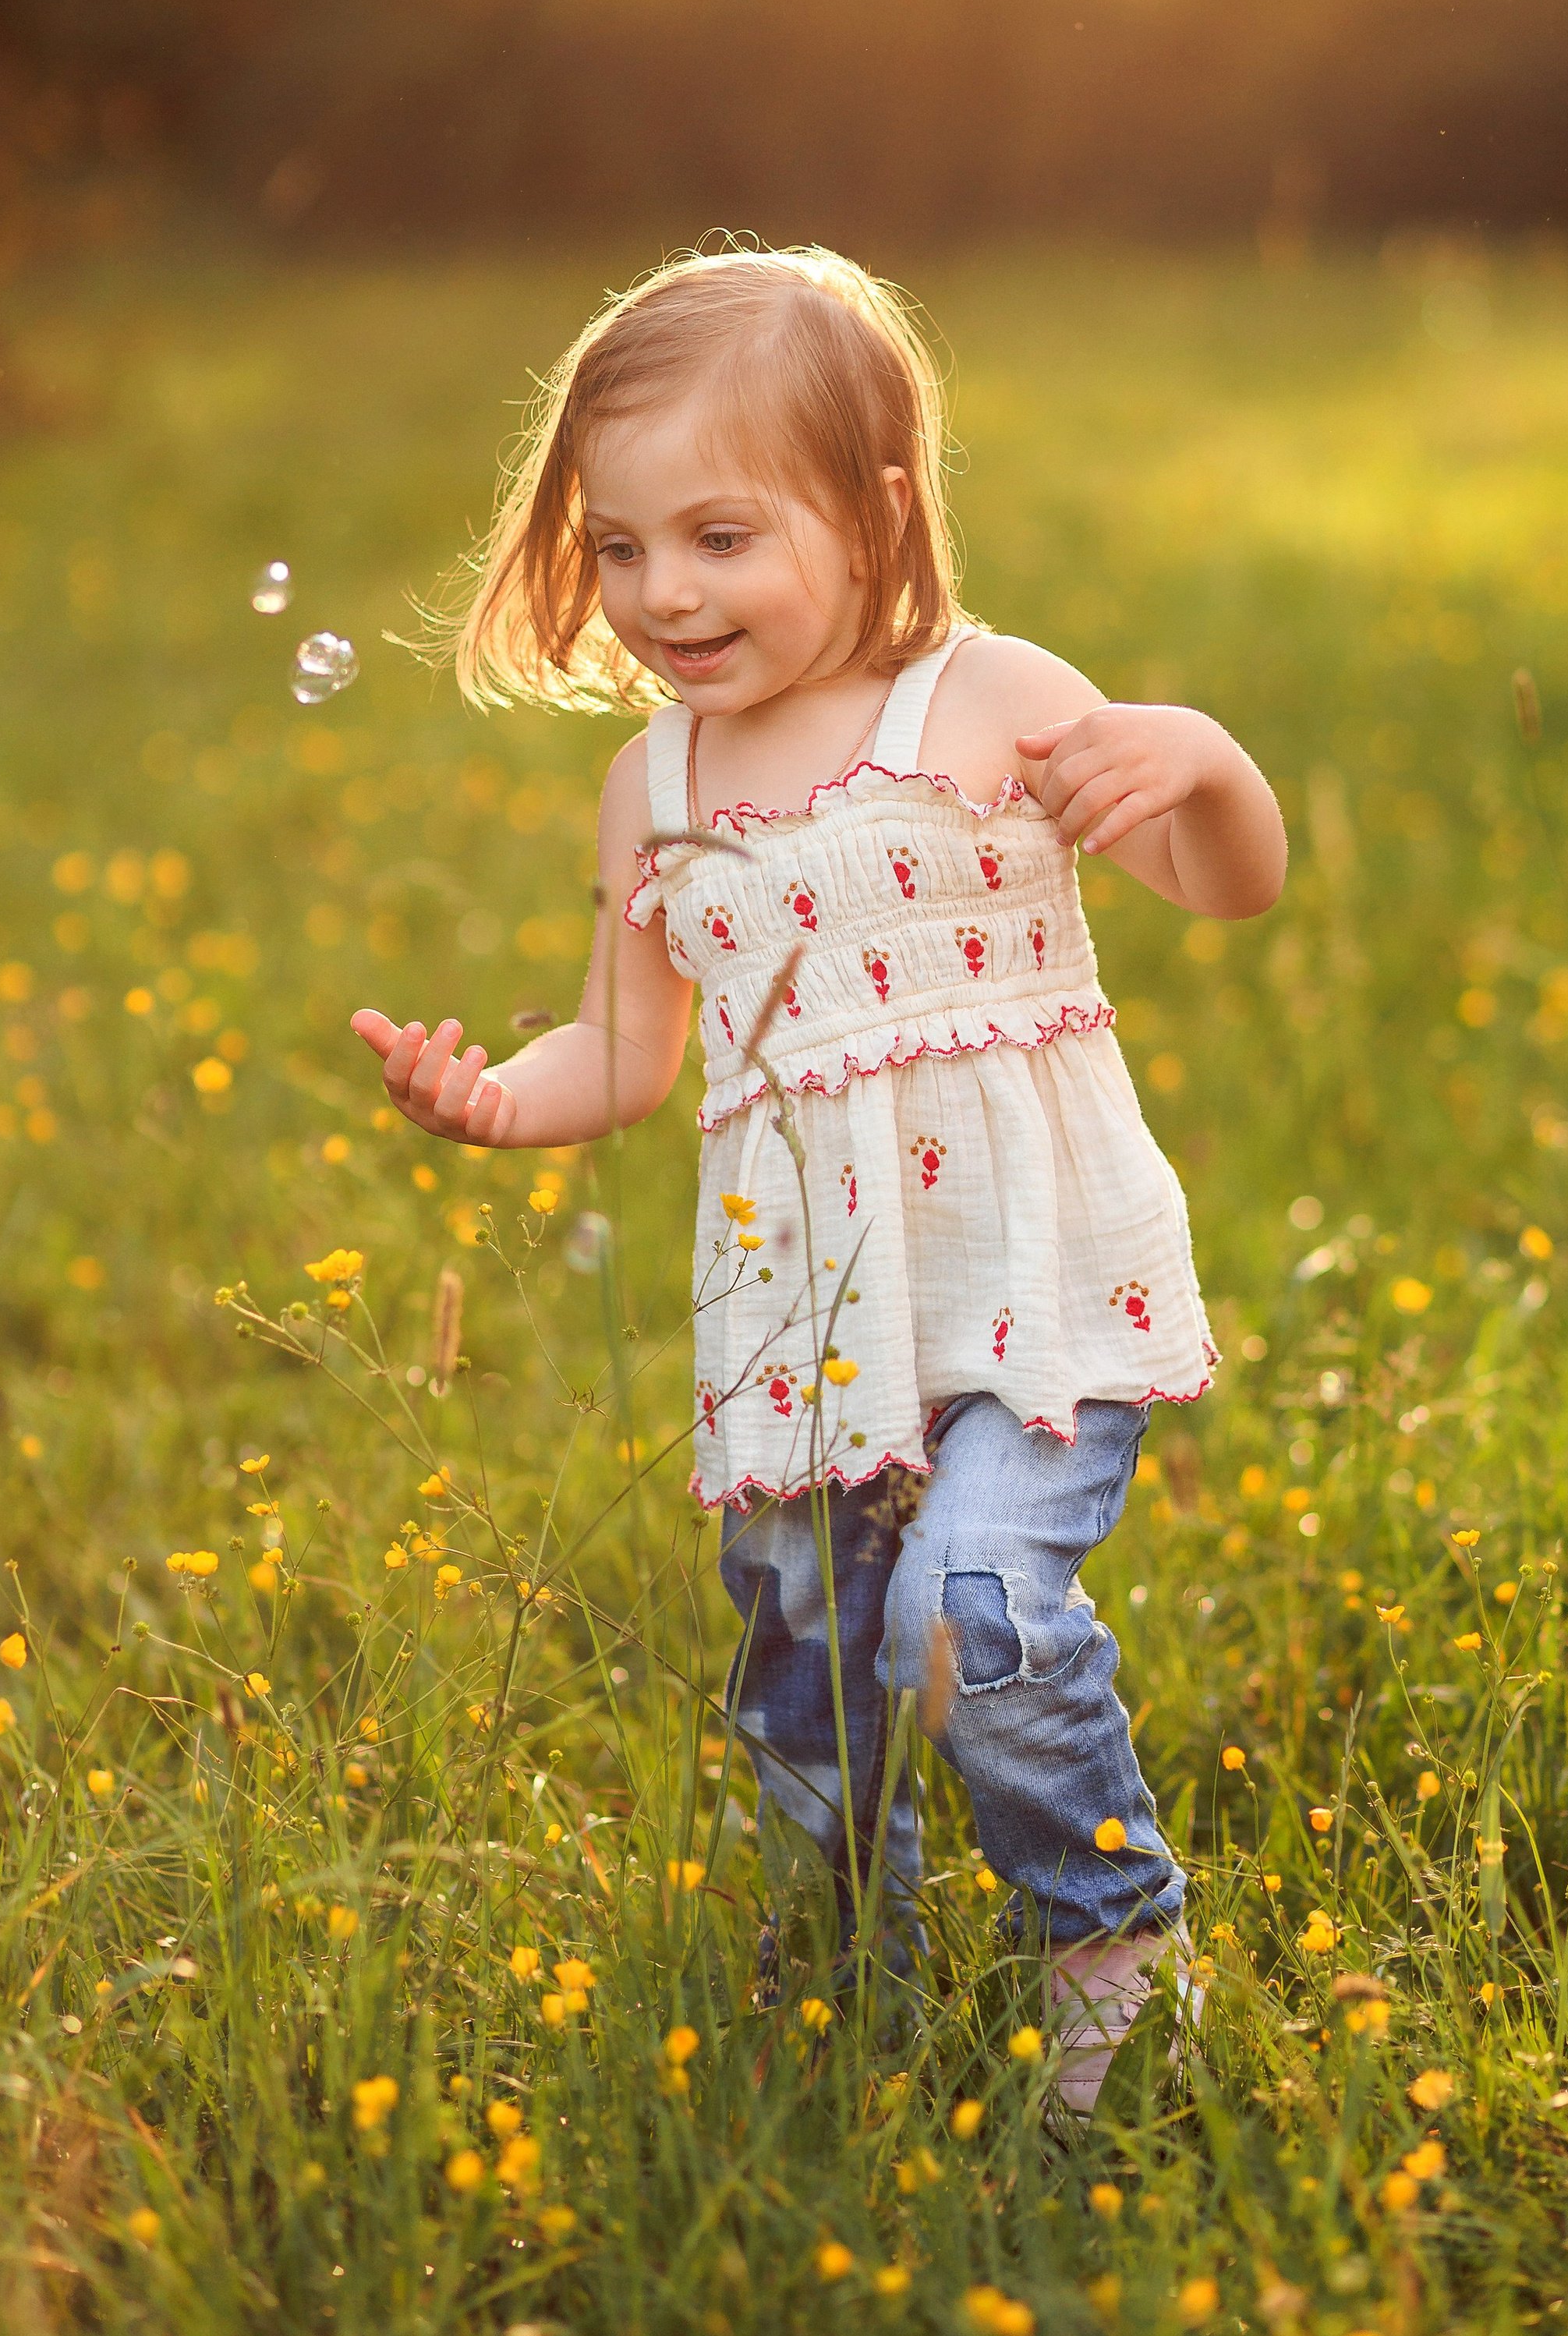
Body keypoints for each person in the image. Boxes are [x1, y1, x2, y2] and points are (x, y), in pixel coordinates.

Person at [351, 246, 1287, 2113]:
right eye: (619, 548)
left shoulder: (988, 700)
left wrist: (1197, 758)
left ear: (873, 515)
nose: (661, 594)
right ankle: (843, 1961)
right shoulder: (655, 786)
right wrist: (493, 1102)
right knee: (807, 1661)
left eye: (718, 537)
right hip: (805, 1321)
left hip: (1027, 1294)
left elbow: (1226, 882)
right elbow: (625, 1049)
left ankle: (1110, 1938)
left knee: (967, 1612)